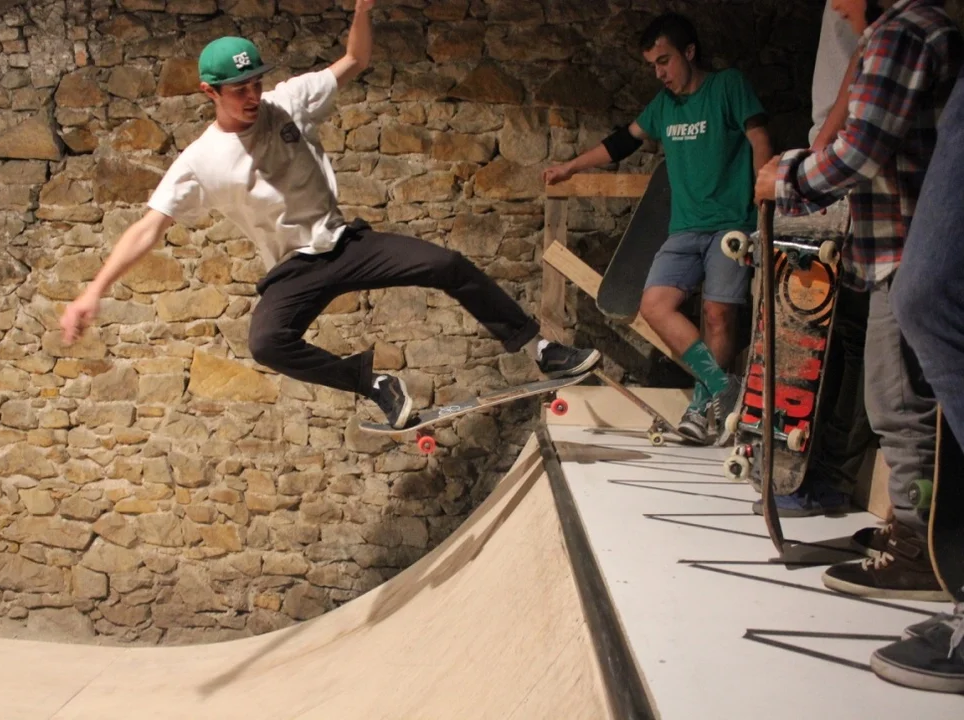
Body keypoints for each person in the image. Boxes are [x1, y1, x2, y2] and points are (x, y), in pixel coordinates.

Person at [58, 0, 600, 431]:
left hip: (346, 243)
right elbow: (148, 227)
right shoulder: (199, 161)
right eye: (239, 90)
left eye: (255, 84)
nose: (252, 97)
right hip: (293, 268)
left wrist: (362, 11)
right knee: (267, 343)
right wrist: (92, 292)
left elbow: (354, 61)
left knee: (447, 264)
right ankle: (375, 385)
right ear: (210, 92)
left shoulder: (288, 101)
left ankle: (541, 348)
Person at [755, 0, 961, 600]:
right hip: (899, 246)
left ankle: (924, 549)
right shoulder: (904, 30)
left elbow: (860, 150)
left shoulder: (903, 31)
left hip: (907, 246)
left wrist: (785, 179)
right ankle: (916, 526)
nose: (836, 8)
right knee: (897, 399)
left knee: (900, 403)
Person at [543, 12, 772, 446]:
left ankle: (701, 407)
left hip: (730, 225)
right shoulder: (664, 105)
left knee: (718, 314)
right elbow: (622, 142)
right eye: (653, 65)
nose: (659, 73)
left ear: (690, 52)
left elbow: (759, 138)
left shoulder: (727, 86)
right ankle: (723, 387)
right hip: (684, 228)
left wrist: (764, 204)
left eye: (664, 61)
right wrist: (570, 166)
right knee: (654, 305)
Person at [751, 1, 876, 520]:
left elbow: (859, 70)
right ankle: (799, 466)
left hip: (848, 171)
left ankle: (831, 476)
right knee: (820, 329)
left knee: (855, 331)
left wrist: (804, 169)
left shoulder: (899, 28)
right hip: (827, 166)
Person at [871, 64, 964, 695]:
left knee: (929, 296)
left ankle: (914, 534)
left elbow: (866, 130)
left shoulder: (907, 29)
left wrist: (795, 175)